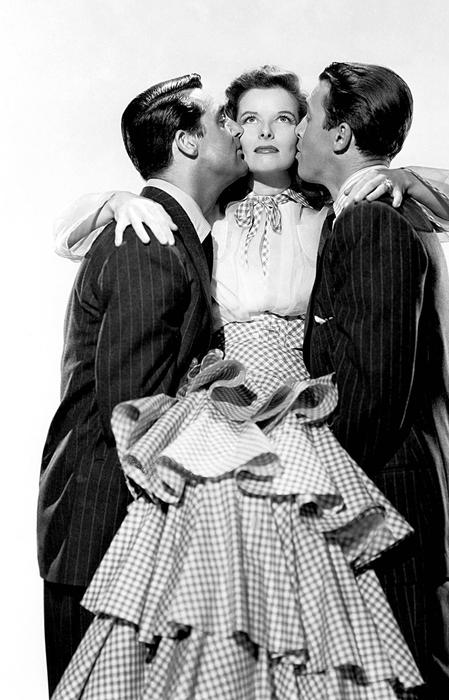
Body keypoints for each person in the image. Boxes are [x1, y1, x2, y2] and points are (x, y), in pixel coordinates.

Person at [50, 66, 449, 699]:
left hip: (307, 411)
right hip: (222, 415)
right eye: (247, 120)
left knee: (319, 607)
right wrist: (117, 200)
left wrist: (403, 176)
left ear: (306, 129)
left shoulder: (337, 208)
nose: (266, 131)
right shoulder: (209, 214)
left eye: (285, 118)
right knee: (221, 602)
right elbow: (77, 234)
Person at [37, 73, 247, 696]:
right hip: (106, 531)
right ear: (187, 142)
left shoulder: (179, 232)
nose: (240, 130)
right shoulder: (149, 242)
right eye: (224, 120)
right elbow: (135, 416)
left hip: (115, 526)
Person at [299, 62, 449, 699]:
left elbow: (370, 398)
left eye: (308, 117)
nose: (298, 133)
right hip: (407, 505)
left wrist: (312, 495)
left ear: (340, 135)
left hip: (388, 510)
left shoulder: (370, 221)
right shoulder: (393, 211)